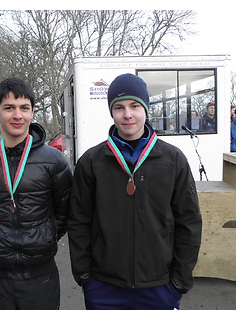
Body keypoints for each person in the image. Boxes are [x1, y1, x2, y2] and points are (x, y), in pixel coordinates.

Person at [68, 73, 202, 310]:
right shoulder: (91, 161)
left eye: (134, 106)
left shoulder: (173, 160)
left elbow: (189, 221)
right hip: (103, 287)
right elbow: (79, 221)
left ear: (146, 109)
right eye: (119, 107)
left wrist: (179, 281)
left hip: (160, 287)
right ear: (112, 112)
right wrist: (85, 277)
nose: (127, 114)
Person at [0, 77, 72, 310]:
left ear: (32, 112)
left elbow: (64, 212)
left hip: (41, 275)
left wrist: (45, 237)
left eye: (24, 108)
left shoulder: (54, 160)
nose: (17, 115)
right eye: (9, 108)